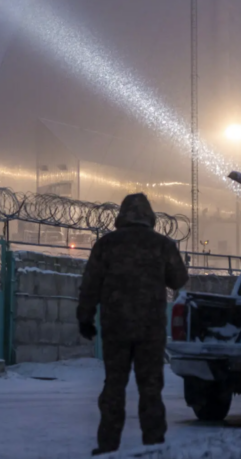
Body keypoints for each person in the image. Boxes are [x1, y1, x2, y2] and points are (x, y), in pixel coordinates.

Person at [76, 193, 189, 456]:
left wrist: (85, 317)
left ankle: (107, 447)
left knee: (114, 386)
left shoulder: (106, 245)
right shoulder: (162, 245)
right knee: (150, 389)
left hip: (116, 328)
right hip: (151, 330)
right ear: (149, 216)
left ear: (122, 215)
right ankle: (155, 446)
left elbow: (90, 284)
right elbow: (179, 279)